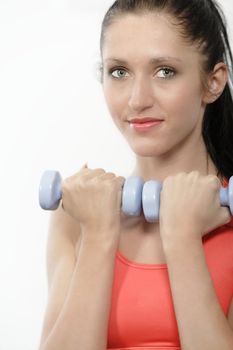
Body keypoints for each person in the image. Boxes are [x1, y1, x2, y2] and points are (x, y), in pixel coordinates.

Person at [38, 0, 233, 349]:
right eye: (119, 72)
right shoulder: (76, 216)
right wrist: (98, 234)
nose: (137, 99)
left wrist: (182, 238)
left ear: (213, 82)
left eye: (164, 71)